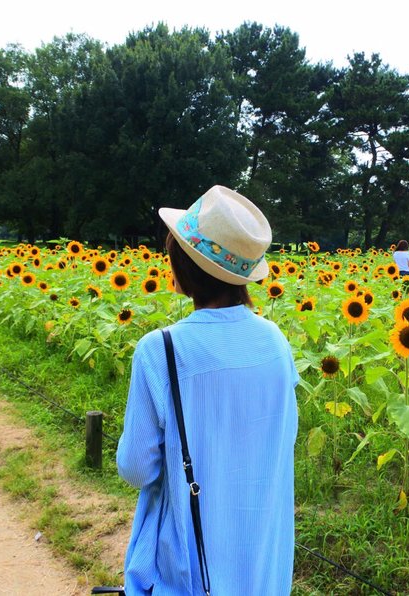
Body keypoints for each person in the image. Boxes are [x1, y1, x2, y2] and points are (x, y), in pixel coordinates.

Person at [117, 185, 299, 595]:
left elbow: (136, 467)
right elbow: (282, 433)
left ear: (185, 266)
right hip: (261, 557)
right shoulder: (276, 342)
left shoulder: (161, 350)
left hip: (190, 566)